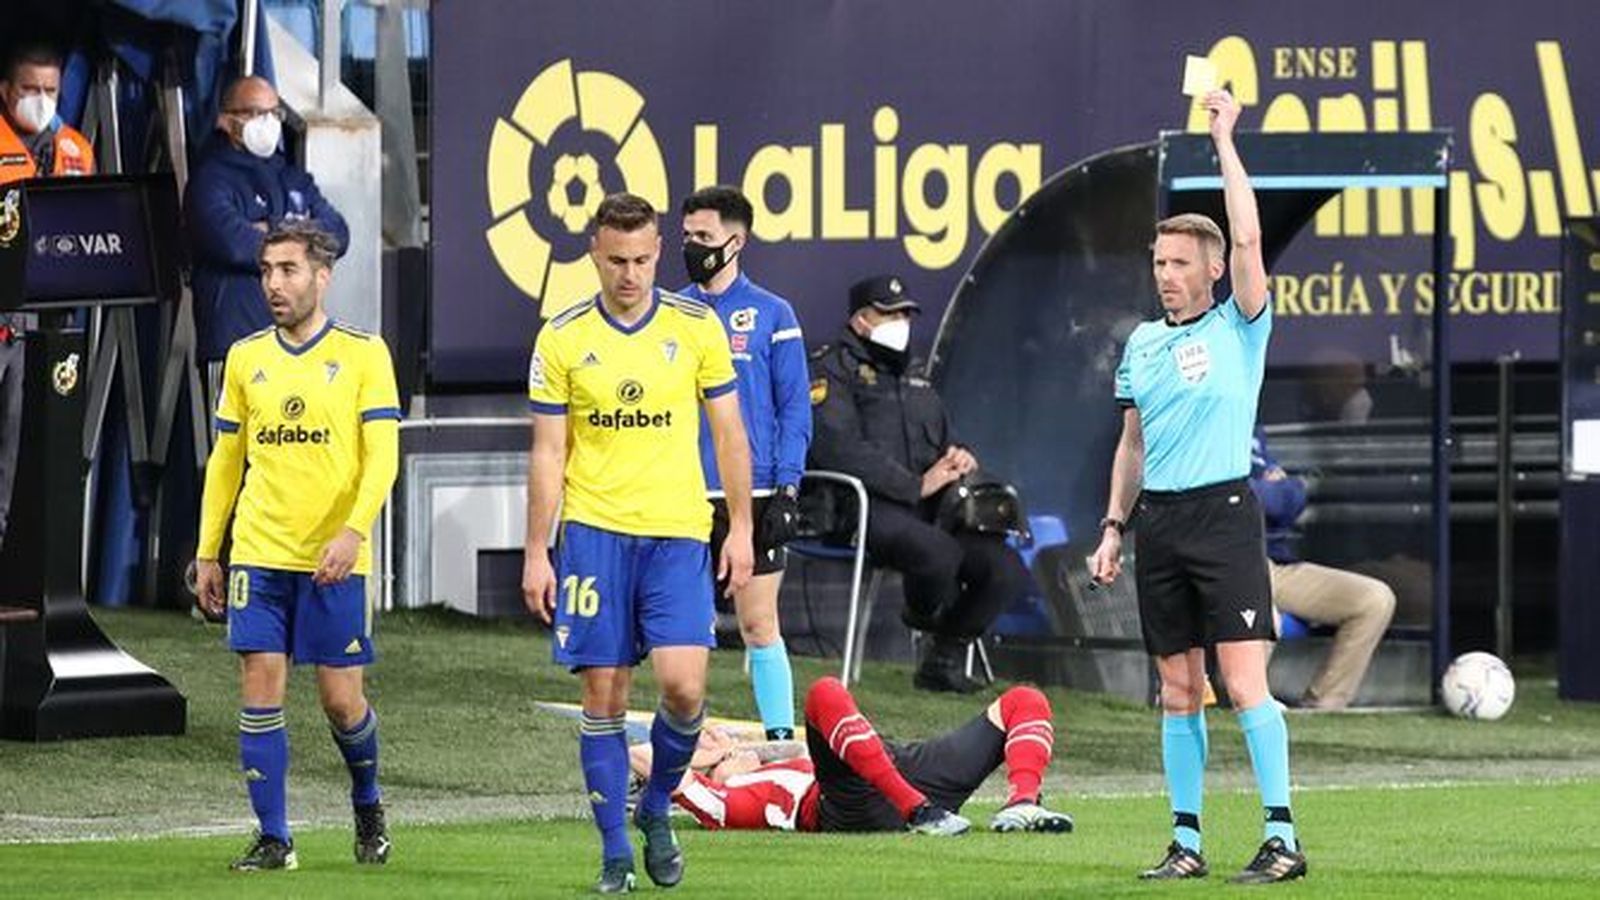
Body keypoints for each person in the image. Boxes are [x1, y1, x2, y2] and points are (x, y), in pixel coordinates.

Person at [1089, 89, 1306, 883]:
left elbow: (1247, 231)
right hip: (1161, 525)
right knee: (1177, 688)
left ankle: (1282, 837)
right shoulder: (1142, 344)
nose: (1167, 275)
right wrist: (1114, 527)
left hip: (1223, 516)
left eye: (1181, 262)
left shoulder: (1240, 326)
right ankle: (1186, 842)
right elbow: (1132, 441)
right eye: (1159, 262)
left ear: (1216, 269)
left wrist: (1223, 138)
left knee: (1242, 681)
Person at [522, 192, 755, 894]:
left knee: (685, 692)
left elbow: (729, 434)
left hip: (677, 534)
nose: (630, 273)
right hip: (594, 537)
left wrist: (740, 527)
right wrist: (538, 550)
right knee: (605, 698)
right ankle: (614, 853)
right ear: (595, 252)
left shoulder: (695, 327)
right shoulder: (561, 337)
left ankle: (656, 808)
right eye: (617, 259)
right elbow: (547, 451)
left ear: (658, 253)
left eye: (644, 259)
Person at [193, 223, 400, 872]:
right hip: (261, 549)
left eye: (287, 270)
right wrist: (208, 550)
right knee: (260, 685)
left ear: (322, 276)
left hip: (334, 557)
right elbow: (226, 460)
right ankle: (275, 837)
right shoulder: (246, 356)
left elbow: (383, 459)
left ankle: (367, 800)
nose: (274, 284)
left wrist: (353, 531)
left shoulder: (366, 354)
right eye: (266, 271)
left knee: (341, 700)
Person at [808, 275, 1030, 693]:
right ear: (860, 321)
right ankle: (924, 614)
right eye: (889, 313)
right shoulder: (831, 370)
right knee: (939, 554)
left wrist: (959, 455)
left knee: (1004, 568)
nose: (901, 321)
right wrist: (916, 485)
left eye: (905, 313)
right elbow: (838, 449)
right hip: (865, 508)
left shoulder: (915, 377)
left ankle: (942, 658)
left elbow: (943, 439)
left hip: (930, 510)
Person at [677, 185, 812, 740]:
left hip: (751, 494)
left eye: (703, 237)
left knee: (759, 623)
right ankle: (688, 743)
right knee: (687, 629)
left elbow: (794, 406)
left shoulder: (773, 314)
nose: (692, 247)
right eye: (686, 237)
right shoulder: (672, 312)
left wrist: (786, 489)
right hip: (682, 494)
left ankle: (781, 743)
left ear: (738, 241)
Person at [629, 677, 1071, 837]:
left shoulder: (769, 759)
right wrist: (695, 755)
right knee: (824, 692)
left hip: (902, 768)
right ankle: (918, 812)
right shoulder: (724, 801)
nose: (716, 733)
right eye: (703, 740)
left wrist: (735, 748)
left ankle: (1022, 804)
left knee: (1024, 700)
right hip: (845, 806)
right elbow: (638, 754)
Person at [0, 42, 94, 553]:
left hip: (48, 324)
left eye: (50, 90)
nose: (40, 99)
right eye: (30, 89)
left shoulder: (76, 149)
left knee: (21, 456)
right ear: (6, 91)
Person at [185, 75, 348, 369]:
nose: (269, 122)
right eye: (257, 113)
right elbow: (234, 244)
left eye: (275, 113)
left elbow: (338, 233)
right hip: (236, 346)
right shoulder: (209, 180)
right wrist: (301, 235)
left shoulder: (290, 175)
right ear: (226, 120)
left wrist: (270, 229)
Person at [1250, 428, 1396, 709]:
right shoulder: (1203, 414)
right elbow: (1237, 497)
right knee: (1264, 613)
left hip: (1278, 563)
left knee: (1374, 599)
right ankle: (1248, 704)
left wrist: (1275, 493)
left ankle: (1323, 706)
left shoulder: (1252, 423)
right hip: (1232, 558)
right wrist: (1272, 492)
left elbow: (1292, 497)